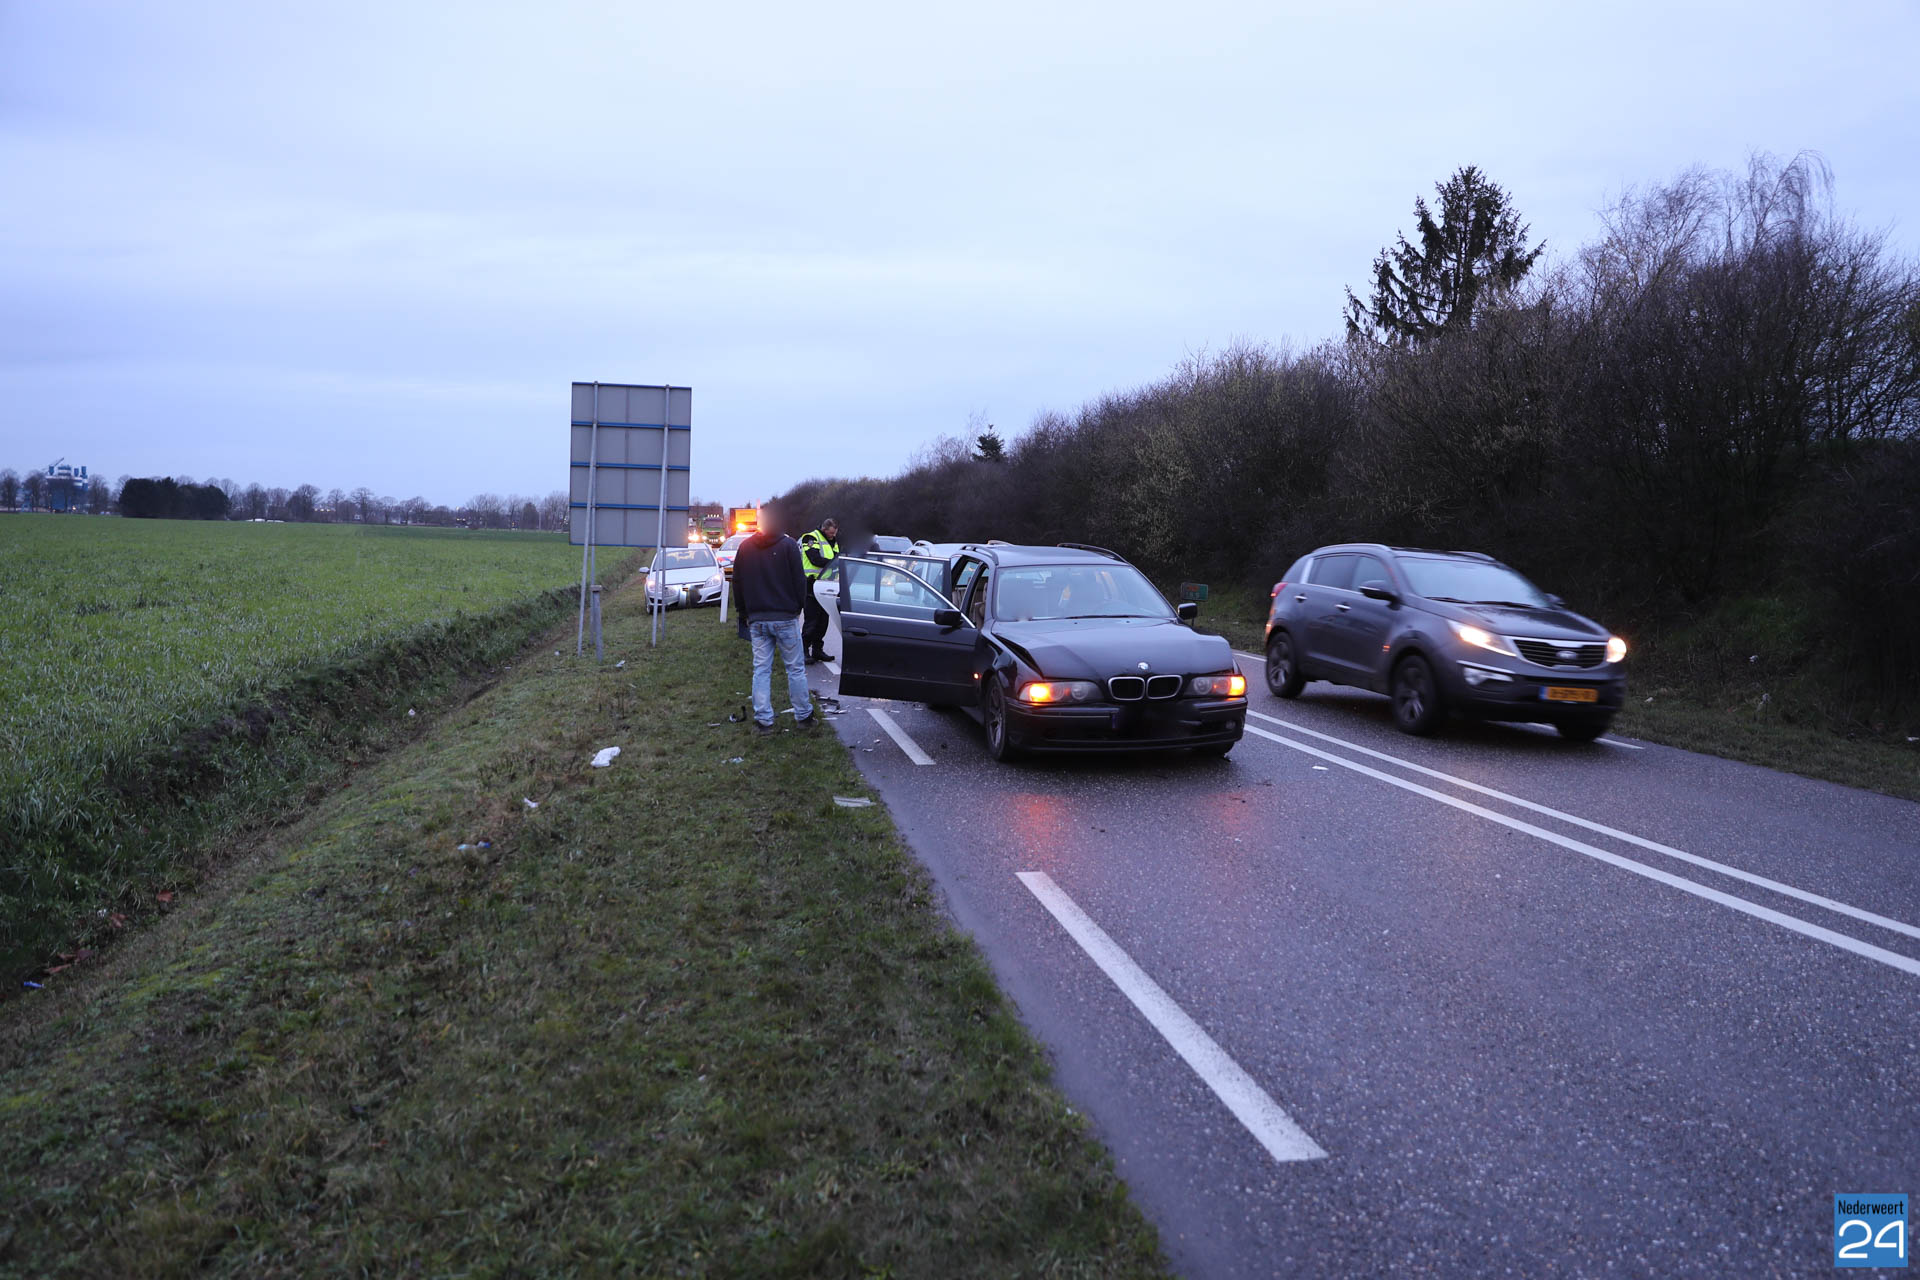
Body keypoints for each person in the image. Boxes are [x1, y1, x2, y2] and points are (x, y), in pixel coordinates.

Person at [731, 509, 815, 734]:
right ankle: (804, 716)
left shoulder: (745, 548)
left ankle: (763, 720)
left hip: (757, 619)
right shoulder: (789, 546)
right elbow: (800, 580)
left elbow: (737, 582)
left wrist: (743, 612)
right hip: (785, 617)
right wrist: (797, 607)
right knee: (795, 669)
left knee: (761, 670)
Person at [798, 516, 840, 663]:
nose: (833, 536)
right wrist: (834, 563)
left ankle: (817, 650)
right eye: (831, 533)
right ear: (824, 529)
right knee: (811, 620)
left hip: (826, 585)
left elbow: (837, 560)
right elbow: (815, 559)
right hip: (811, 584)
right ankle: (803, 650)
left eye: (834, 533)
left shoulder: (832, 542)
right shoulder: (810, 538)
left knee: (823, 621)